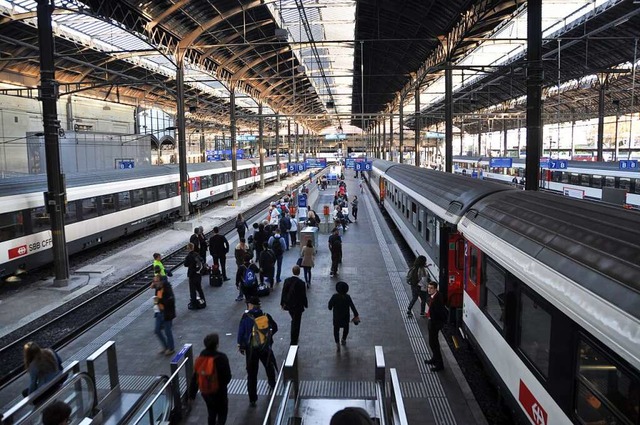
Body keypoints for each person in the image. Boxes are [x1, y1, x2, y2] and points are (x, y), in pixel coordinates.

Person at [237, 297, 278, 407]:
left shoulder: (246, 317)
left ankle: (252, 398)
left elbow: (241, 333)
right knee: (268, 365)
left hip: (251, 350)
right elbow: (275, 327)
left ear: (250, 305)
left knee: (252, 374)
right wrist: (267, 337)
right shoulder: (265, 315)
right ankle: (272, 383)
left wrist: (240, 345)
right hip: (264, 347)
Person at [189, 333, 232, 425]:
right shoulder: (221, 357)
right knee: (222, 412)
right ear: (217, 345)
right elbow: (228, 377)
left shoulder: (201, 357)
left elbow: (195, 376)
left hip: (206, 391)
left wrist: (192, 394)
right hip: (220, 391)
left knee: (211, 411)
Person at [424, 281, 448, 372]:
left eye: (431, 288)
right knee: (432, 342)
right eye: (428, 287)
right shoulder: (434, 296)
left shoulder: (437, 299)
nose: (429, 290)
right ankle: (434, 359)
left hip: (435, 323)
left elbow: (439, 312)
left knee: (434, 343)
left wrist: (432, 319)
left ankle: (439, 364)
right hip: (432, 321)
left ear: (435, 289)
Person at [328, 281, 359, 352]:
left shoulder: (334, 296)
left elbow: (329, 306)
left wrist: (330, 307)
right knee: (346, 328)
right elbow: (352, 306)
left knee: (336, 330)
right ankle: (343, 339)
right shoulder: (347, 297)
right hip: (345, 317)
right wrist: (356, 314)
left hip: (336, 317)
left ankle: (337, 343)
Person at [281, 266, 308, 345]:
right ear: (299, 272)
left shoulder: (287, 281)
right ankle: (294, 339)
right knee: (296, 323)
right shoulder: (301, 283)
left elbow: (284, 293)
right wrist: (305, 304)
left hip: (289, 305)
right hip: (298, 306)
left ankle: (294, 337)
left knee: (294, 319)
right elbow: (303, 295)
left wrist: (282, 303)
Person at [151, 274, 176, 355]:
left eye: (156, 281)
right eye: (153, 281)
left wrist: (159, 301)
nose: (154, 283)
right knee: (157, 330)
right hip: (159, 311)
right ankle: (165, 346)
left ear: (161, 281)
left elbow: (170, 301)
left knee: (167, 331)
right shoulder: (158, 287)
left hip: (167, 313)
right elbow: (157, 296)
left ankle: (171, 348)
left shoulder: (167, 289)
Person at [184, 242, 206, 309]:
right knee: (199, 289)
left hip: (192, 275)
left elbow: (185, 264)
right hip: (198, 274)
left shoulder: (188, 256)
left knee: (192, 290)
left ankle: (194, 304)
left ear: (188, 248)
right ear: (193, 247)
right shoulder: (197, 254)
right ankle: (203, 301)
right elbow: (202, 261)